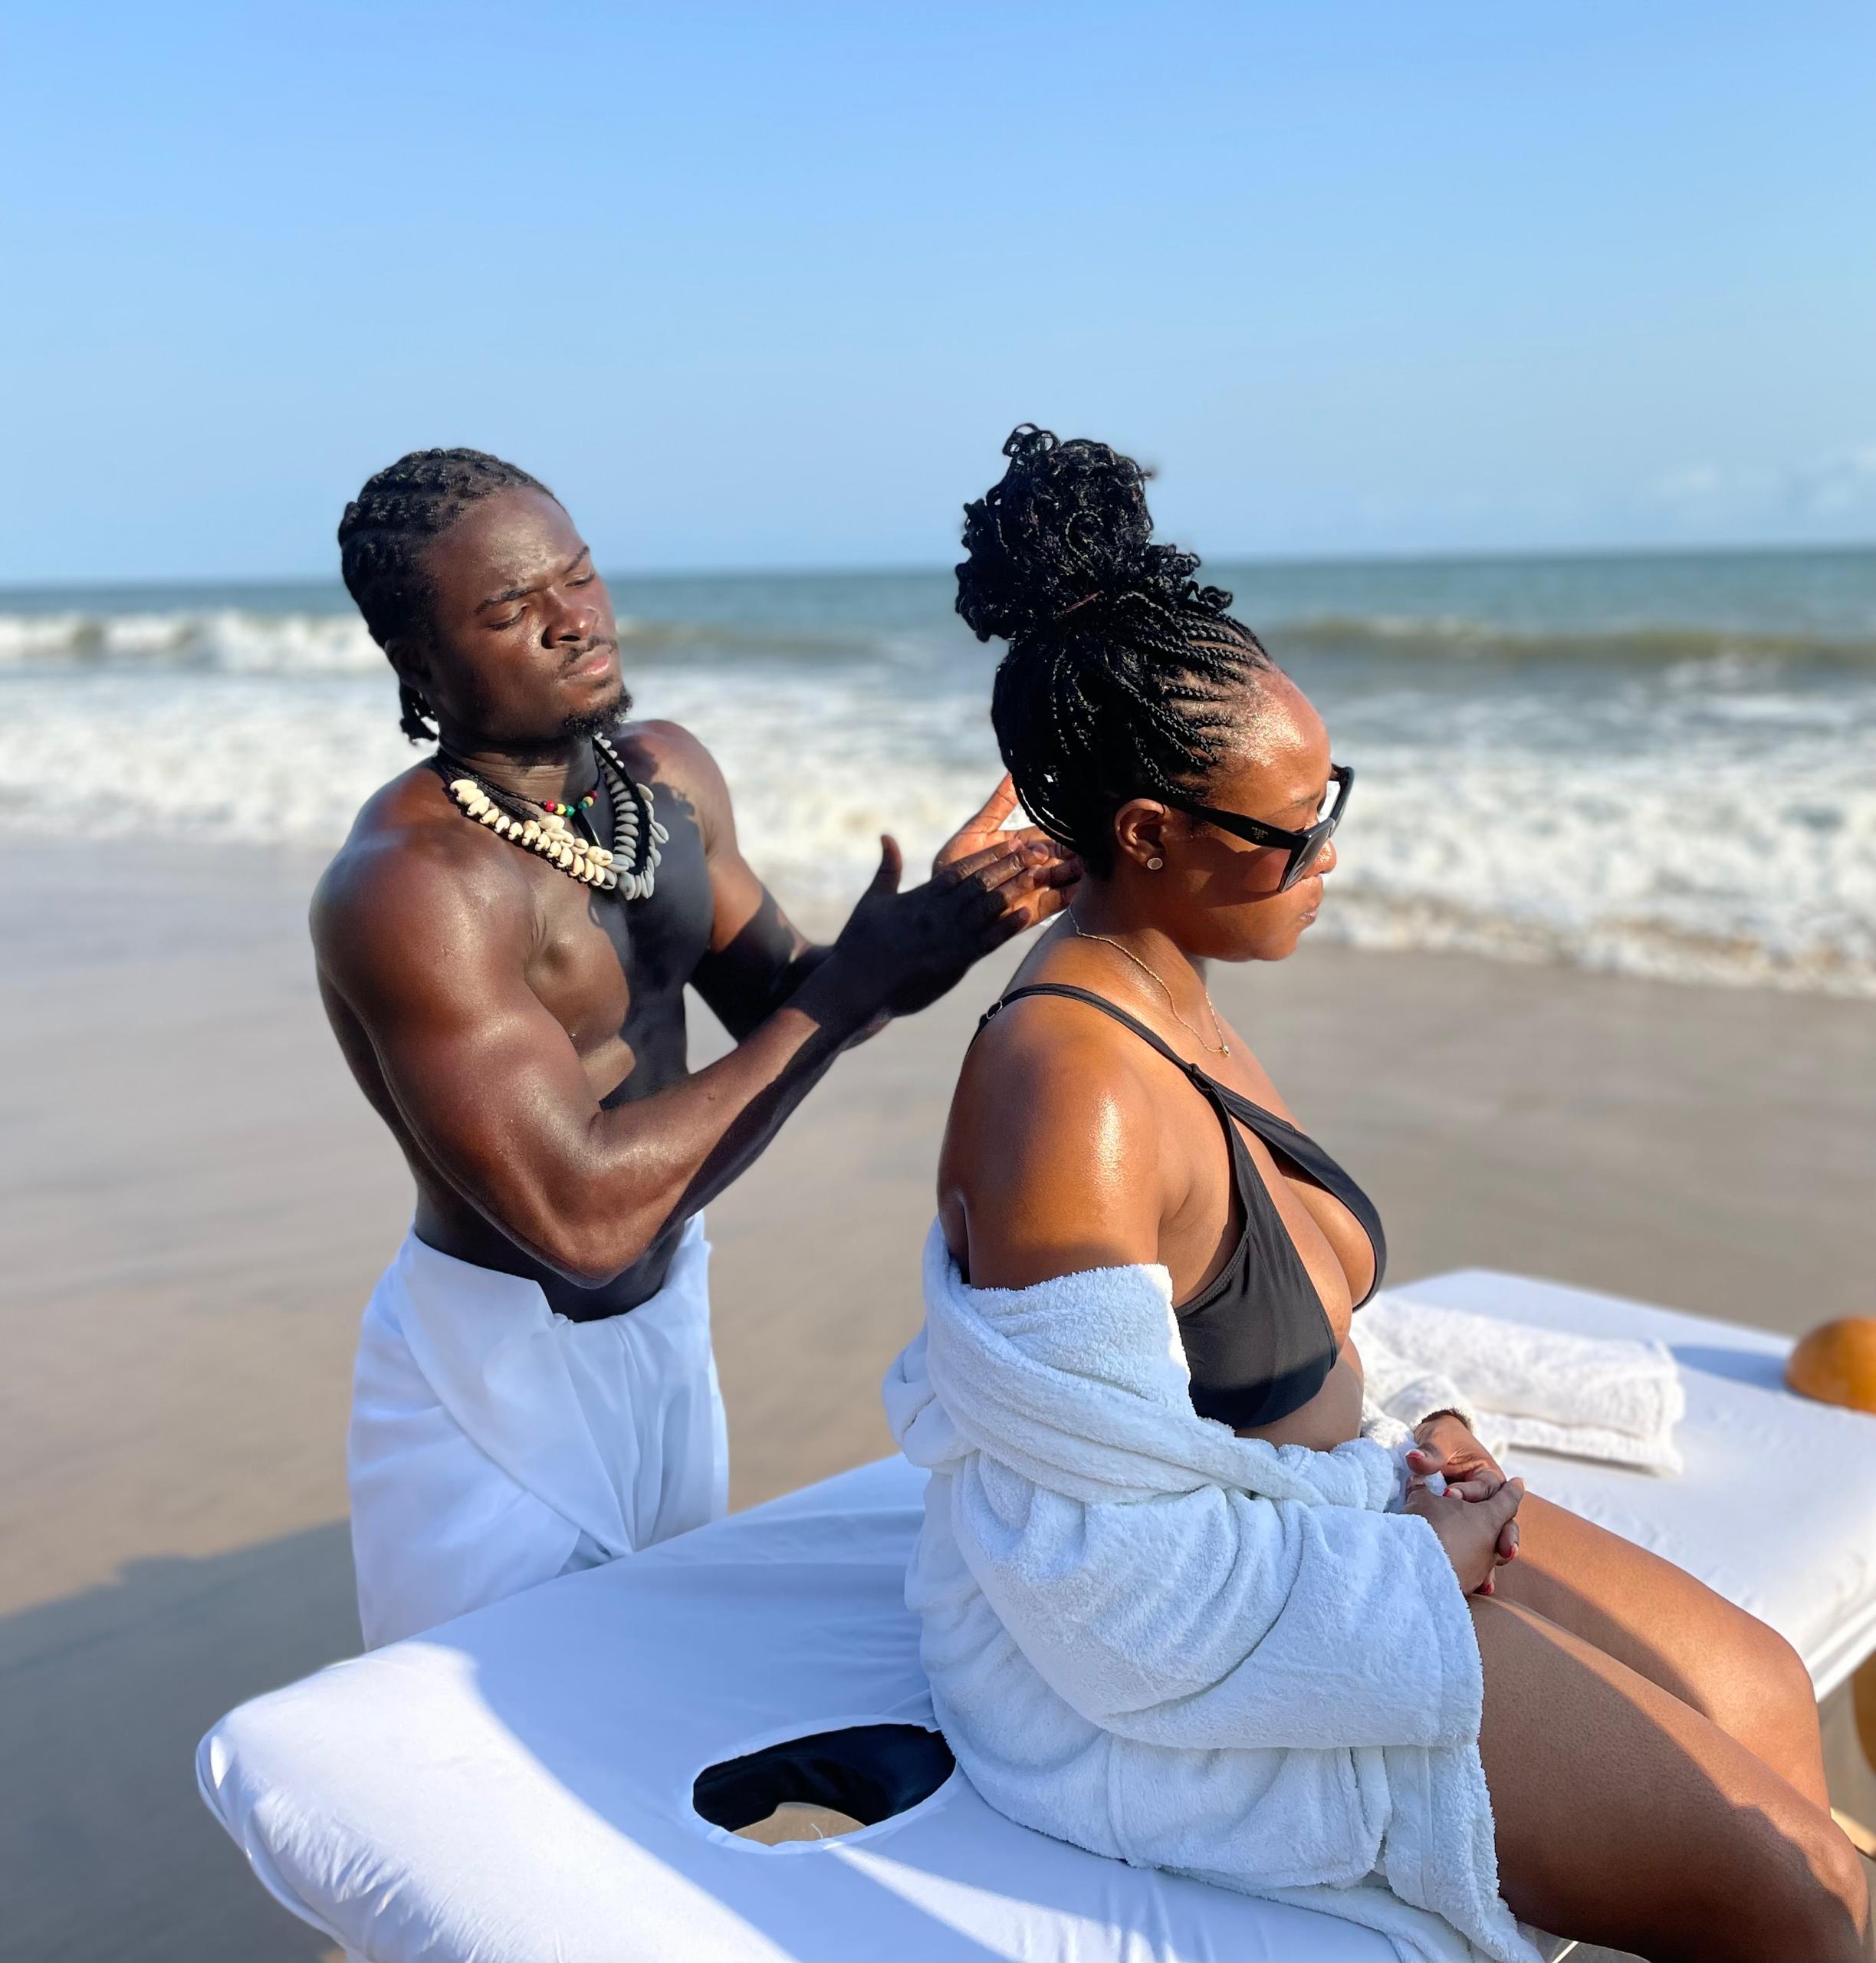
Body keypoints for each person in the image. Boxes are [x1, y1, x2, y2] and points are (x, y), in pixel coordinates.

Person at [913, 426, 1868, 1960]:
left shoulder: (1183, 990)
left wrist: (1419, 1428)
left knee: (1756, 1686)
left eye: (1332, 794)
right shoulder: (1072, 1091)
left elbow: (1271, 1321)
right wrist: (1416, 1559)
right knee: (1809, 1902)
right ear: (1150, 836)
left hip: (1373, 1507)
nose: (1332, 857)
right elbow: (1096, 1580)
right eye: (1295, 833)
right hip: (1263, 1611)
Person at [315, 447, 1075, 1649]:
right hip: (493, 1375)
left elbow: (794, 1001)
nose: (575, 621)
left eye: (578, 574)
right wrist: (850, 993)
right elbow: (580, 1217)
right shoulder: (415, 887)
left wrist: (934, 931)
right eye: (512, 608)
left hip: (668, 1316)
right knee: (482, 1749)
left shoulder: (665, 776)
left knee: (654, 1700)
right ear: (418, 661)